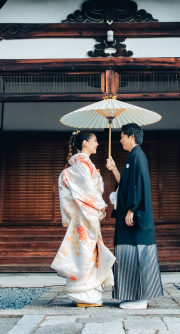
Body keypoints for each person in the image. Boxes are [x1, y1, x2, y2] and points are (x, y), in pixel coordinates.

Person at [51, 130, 116, 307]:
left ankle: (90, 292)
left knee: (89, 252)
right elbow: (87, 190)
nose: (97, 144)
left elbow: (92, 189)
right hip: (84, 215)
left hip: (87, 214)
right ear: (85, 143)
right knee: (85, 252)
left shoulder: (85, 164)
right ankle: (84, 293)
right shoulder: (80, 164)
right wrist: (100, 205)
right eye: (94, 140)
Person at [105, 123, 163, 310]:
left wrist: (131, 209)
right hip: (130, 217)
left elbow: (137, 186)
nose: (120, 139)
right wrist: (114, 169)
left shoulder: (138, 155)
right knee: (129, 254)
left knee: (138, 255)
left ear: (131, 136)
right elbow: (127, 185)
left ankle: (139, 298)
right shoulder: (133, 157)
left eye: (121, 136)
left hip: (135, 218)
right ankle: (132, 296)